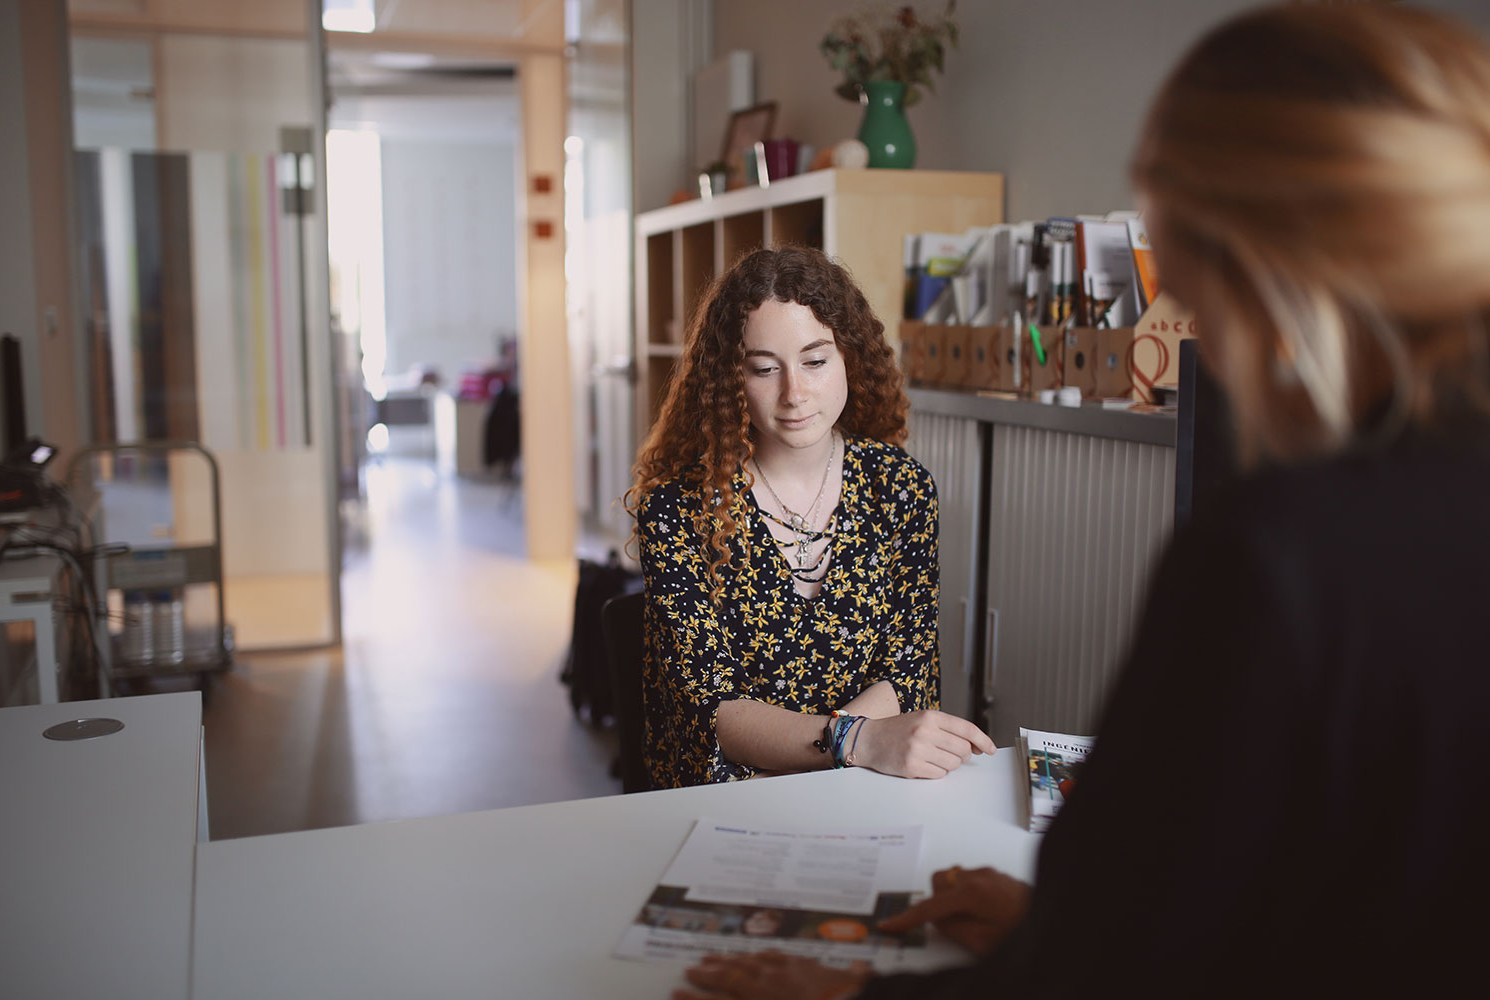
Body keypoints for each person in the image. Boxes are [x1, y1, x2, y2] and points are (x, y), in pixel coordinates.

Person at [671, 4, 1490, 997]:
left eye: (1187, 286)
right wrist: (1056, 923)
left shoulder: (1276, 553)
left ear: (1263, 266)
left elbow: (1109, 959)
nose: (1195, 343)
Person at [627, 246, 994, 789]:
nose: (794, 394)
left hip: (862, 786)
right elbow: (714, 711)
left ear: (851, 357)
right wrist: (858, 742)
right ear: (731, 379)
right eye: (764, 369)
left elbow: (909, 669)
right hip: (727, 799)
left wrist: (839, 756)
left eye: (815, 361)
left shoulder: (902, 489)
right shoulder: (677, 509)